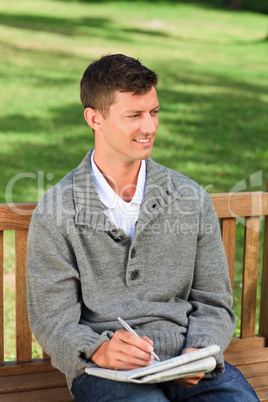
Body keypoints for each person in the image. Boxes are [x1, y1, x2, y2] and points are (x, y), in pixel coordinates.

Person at [26, 54, 259, 401]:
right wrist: (97, 350)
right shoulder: (58, 209)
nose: (149, 127)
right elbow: (53, 319)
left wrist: (201, 349)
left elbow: (214, 302)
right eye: (134, 115)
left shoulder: (190, 198)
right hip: (107, 371)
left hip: (190, 362)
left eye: (154, 112)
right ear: (95, 119)